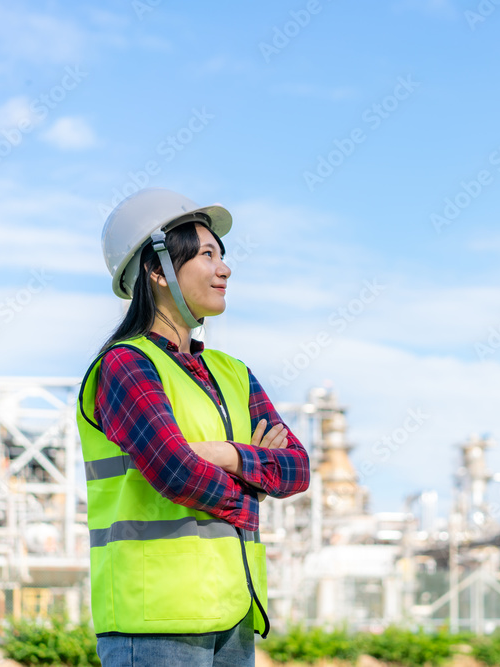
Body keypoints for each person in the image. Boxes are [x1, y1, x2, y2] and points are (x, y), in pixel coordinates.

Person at [75, 187, 310, 666]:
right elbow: (176, 471)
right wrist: (254, 490)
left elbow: (298, 468)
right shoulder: (126, 366)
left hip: (233, 614)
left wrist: (226, 455)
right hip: (155, 621)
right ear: (157, 270)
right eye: (206, 254)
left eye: (222, 256)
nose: (224, 269)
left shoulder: (234, 373)